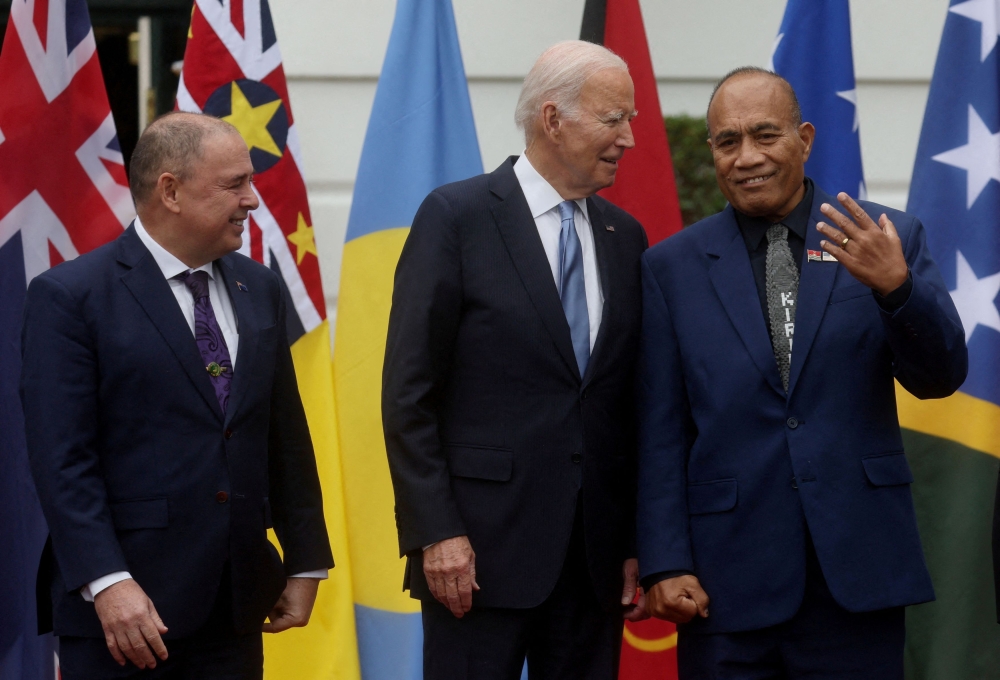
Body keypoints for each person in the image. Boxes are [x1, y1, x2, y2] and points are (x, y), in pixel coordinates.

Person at [636, 67, 968, 679]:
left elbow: (940, 377)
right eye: (728, 141)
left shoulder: (882, 236)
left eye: (766, 135)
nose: (747, 157)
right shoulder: (670, 268)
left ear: (805, 139)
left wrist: (897, 289)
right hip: (725, 586)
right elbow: (659, 431)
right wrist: (664, 560)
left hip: (858, 573)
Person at [20, 112, 334, 679]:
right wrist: (107, 582)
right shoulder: (71, 297)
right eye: (235, 184)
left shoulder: (259, 286)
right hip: (125, 616)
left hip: (235, 607)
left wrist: (306, 559)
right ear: (170, 191)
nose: (252, 200)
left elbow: (283, 433)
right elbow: (62, 460)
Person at [382, 40, 648, 680]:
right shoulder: (457, 217)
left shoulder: (625, 237)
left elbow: (633, 403)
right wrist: (436, 532)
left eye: (630, 119)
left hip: (593, 563)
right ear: (553, 119)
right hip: (475, 556)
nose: (629, 138)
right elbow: (409, 394)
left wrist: (638, 541)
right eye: (614, 119)